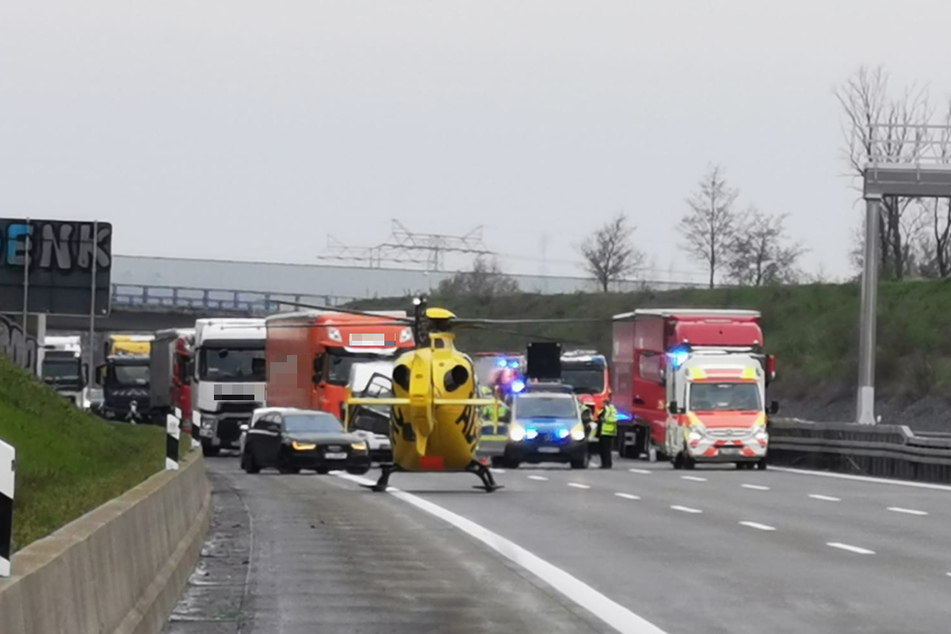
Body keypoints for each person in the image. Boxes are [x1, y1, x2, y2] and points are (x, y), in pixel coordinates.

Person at [597, 391, 618, 469]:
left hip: (608, 432)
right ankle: (604, 464)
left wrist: (604, 419)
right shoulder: (603, 409)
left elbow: (614, 419)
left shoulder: (611, 409)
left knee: (606, 450)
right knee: (602, 450)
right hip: (603, 432)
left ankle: (607, 464)